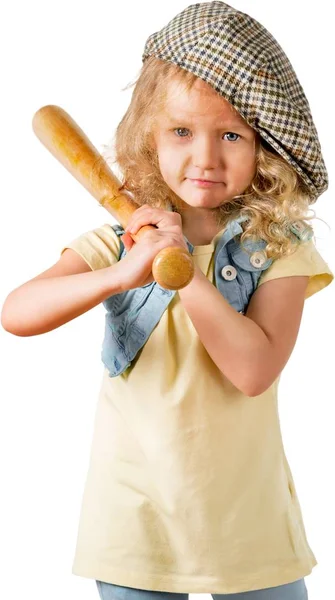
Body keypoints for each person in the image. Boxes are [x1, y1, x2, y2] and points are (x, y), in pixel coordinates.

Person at [1, 1, 334, 599]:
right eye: (181, 131)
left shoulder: (280, 250)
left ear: (264, 149)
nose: (204, 158)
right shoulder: (121, 241)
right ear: (148, 136)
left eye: (232, 135)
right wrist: (119, 276)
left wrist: (187, 276)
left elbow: (254, 371)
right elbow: (17, 313)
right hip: (136, 522)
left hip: (248, 523)